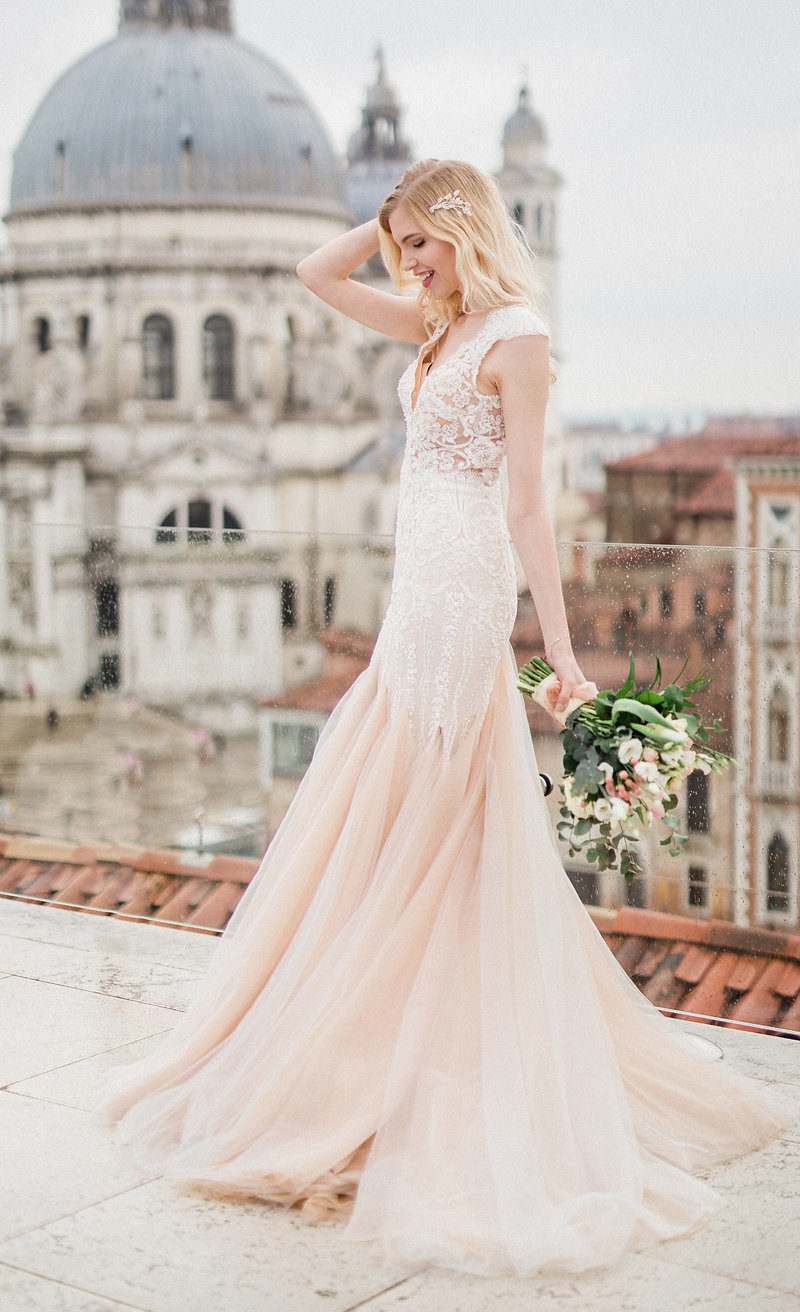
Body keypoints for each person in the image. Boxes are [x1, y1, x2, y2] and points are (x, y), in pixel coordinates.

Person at [97, 159, 787, 1279]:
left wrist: (559, 648)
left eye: (421, 243)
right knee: (388, 766)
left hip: (468, 578)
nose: (405, 263)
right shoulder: (433, 320)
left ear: (467, 229)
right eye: (402, 246)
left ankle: (422, 1044)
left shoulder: (514, 334)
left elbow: (524, 498)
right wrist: (388, 224)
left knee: (439, 780)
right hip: (412, 578)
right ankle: (378, 1032)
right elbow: (312, 272)